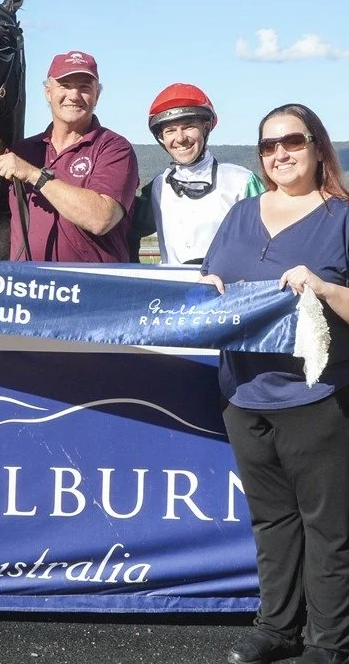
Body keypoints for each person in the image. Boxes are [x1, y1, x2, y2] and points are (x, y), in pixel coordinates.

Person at [199, 104, 349, 664]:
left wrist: (324, 288)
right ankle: (277, 627)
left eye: (292, 141)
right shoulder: (241, 215)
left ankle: (329, 643)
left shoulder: (341, 217)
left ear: (317, 146)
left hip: (317, 396)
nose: (280, 153)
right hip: (243, 394)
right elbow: (211, 281)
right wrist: (206, 288)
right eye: (268, 145)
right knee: (272, 521)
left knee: (328, 527)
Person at [0, 51, 139, 262]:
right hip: (29, 281)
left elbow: (101, 219)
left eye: (85, 87)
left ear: (97, 95)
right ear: (48, 92)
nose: (74, 95)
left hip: (91, 281)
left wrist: (34, 175)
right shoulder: (23, 151)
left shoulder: (114, 148)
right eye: (64, 85)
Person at [130, 83, 264, 264]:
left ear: (206, 128)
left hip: (229, 282)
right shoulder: (158, 187)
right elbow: (123, 230)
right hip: (173, 282)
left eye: (188, 127)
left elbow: (271, 237)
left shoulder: (242, 181)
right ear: (162, 138)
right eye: (170, 131)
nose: (180, 138)